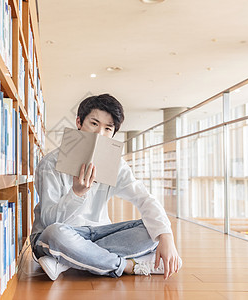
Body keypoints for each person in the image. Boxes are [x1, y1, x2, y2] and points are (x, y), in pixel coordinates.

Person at [29, 93, 182, 281]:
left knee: (152, 229)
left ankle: (67, 261)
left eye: (108, 128)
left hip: (98, 234)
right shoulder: (50, 163)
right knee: (56, 233)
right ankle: (125, 265)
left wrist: (167, 236)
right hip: (55, 236)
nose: (100, 134)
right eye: (94, 124)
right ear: (79, 122)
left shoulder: (115, 164)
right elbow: (48, 221)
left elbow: (143, 198)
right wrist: (76, 193)